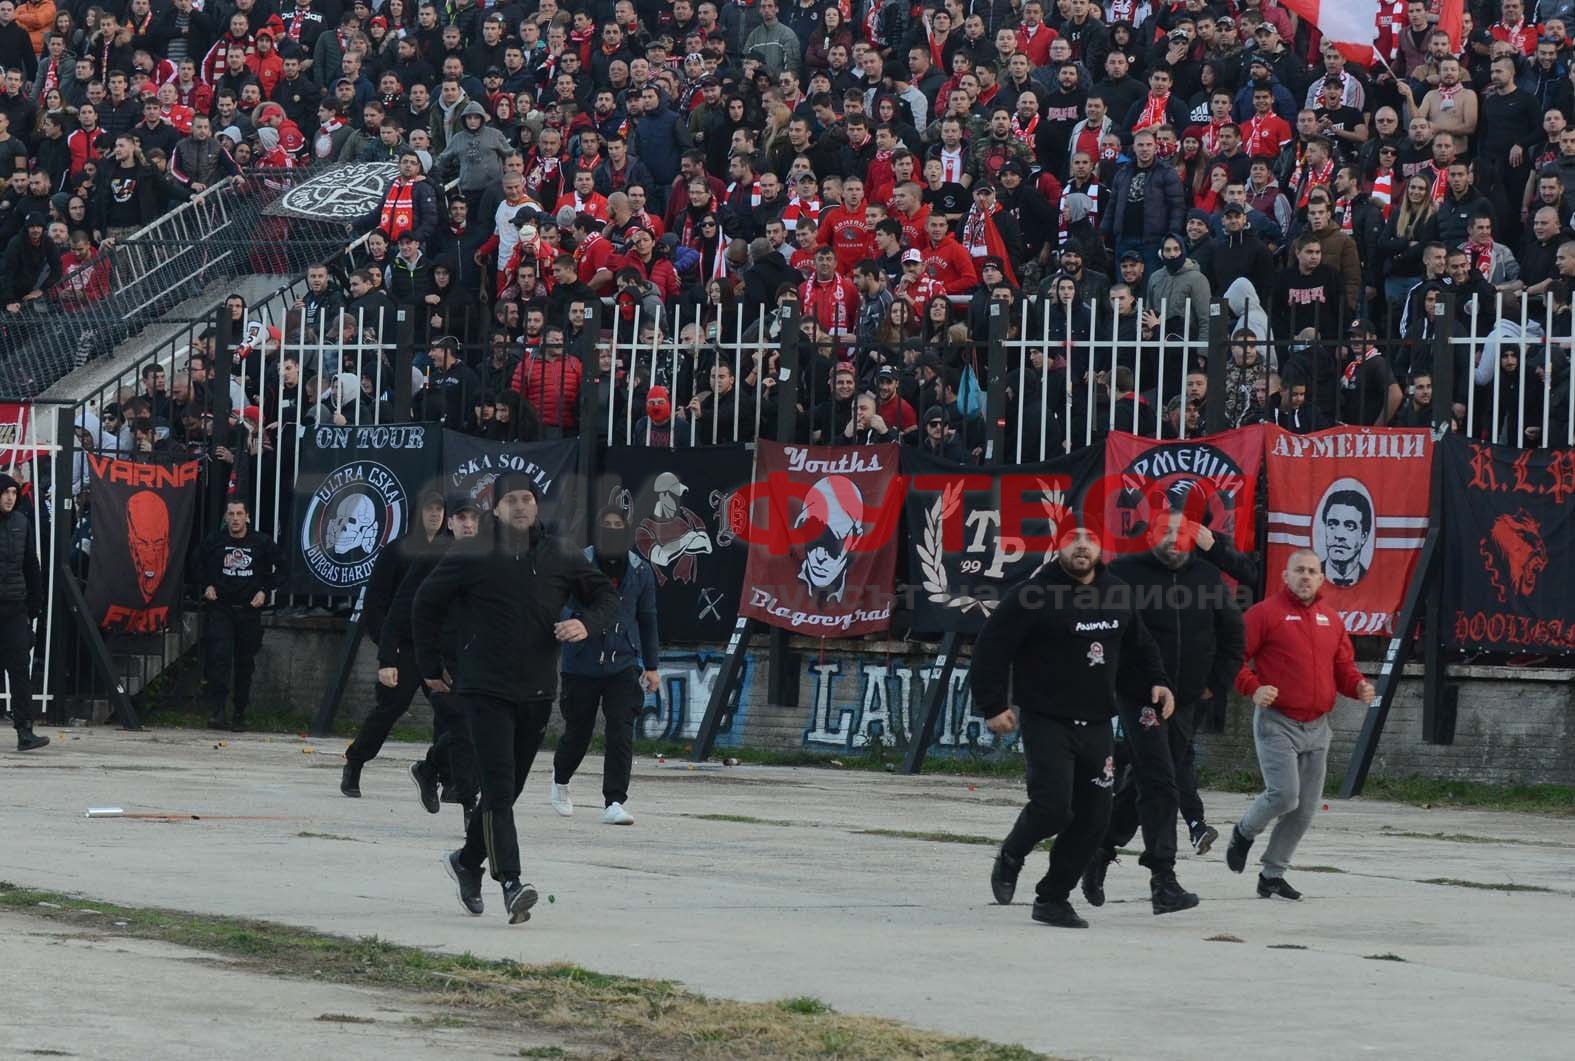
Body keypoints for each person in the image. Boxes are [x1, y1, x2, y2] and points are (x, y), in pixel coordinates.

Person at [413, 475, 619, 923]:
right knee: (500, 791)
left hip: (539, 690)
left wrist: (586, 623)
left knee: (508, 792)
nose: (521, 506)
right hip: (484, 688)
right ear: (496, 508)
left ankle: (466, 863)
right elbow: (425, 603)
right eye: (512, 499)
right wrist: (430, 667)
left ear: (536, 505)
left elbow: (605, 595)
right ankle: (511, 883)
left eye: (528, 498)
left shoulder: (561, 553)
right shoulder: (472, 552)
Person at [973, 525, 1174, 929]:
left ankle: (1052, 898)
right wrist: (993, 705)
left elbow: (1140, 645)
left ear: (1101, 548)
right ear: (1058, 546)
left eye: (1091, 539)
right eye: (1072, 539)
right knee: (1053, 808)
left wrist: (1158, 680)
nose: (1082, 546)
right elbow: (992, 648)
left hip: (1098, 720)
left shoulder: (1116, 592)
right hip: (1046, 718)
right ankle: (1013, 853)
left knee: (1094, 818)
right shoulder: (1033, 594)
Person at [1084, 507, 1245, 914]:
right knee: (1159, 781)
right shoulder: (1124, 574)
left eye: (1181, 532)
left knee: (1151, 780)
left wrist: (1215, 683)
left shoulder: (1207, 577)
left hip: (1188, 699)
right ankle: (1163, 878)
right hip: (1142, 697)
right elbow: (1099, 630)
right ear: (1149, 534)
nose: (1174, 538)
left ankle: (1099, 848)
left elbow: (1232, 632)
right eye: (1165, 531)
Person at [1226, 549, 1376, 899]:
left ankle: (1272, 876)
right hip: (1277, 722)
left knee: (1305, 809)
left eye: (1312, 571)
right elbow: (1232, 659)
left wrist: (1358, 686)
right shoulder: (1264, 614)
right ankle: (1245, 832)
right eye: (1299, 570)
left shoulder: (1331, 620)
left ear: (1322, 579)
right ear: (1285, 576)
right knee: (1284, 795)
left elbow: (1343, 669)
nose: (1305, 576)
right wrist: (1253, 687)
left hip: (1318, 726)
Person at [549, 507, 660, 826]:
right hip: (581, 663)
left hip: (622, 663)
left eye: (618, 525)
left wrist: (652, 666)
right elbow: (561, 605)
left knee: (621, 732)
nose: (612, 529)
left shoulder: (640, 569)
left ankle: (614, 801)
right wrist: (573, 625)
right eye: (606, 525)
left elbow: (647, 618)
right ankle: (560, 780)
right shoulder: (578, 563)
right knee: (579, 732)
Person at [341, 489, 449, 800]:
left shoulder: (450, 551)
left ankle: (445, 776)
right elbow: (377, 604)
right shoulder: (396, 550)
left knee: (450, 711)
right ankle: (356, 761)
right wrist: (387, 649)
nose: (434, 514)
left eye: (440, 509)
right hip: (404, 646)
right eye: (429, 508)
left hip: (437, 649)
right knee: (391, 708)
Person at [197, 498, 281, 732]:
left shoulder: (261, 542)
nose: (235, 519)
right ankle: (217, 711)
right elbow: (196, 564)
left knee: (245, 663)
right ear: (226, 517)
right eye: (231, 514)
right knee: (219, 658)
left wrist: (265, 591)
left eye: (239, 514)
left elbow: (283, 568)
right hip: (221, 609)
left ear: (247, 517)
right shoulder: (214, 541)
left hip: (249, 611)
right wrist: (207, 585)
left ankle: (239, 713)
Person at [0, 474, 45, 751]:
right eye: (5, 492)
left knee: (19, 670)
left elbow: (31, 565)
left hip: (15, 606)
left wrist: (34, 606)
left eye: (14, 493)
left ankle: (25, 731)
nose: (9, 498)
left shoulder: (21, 523)